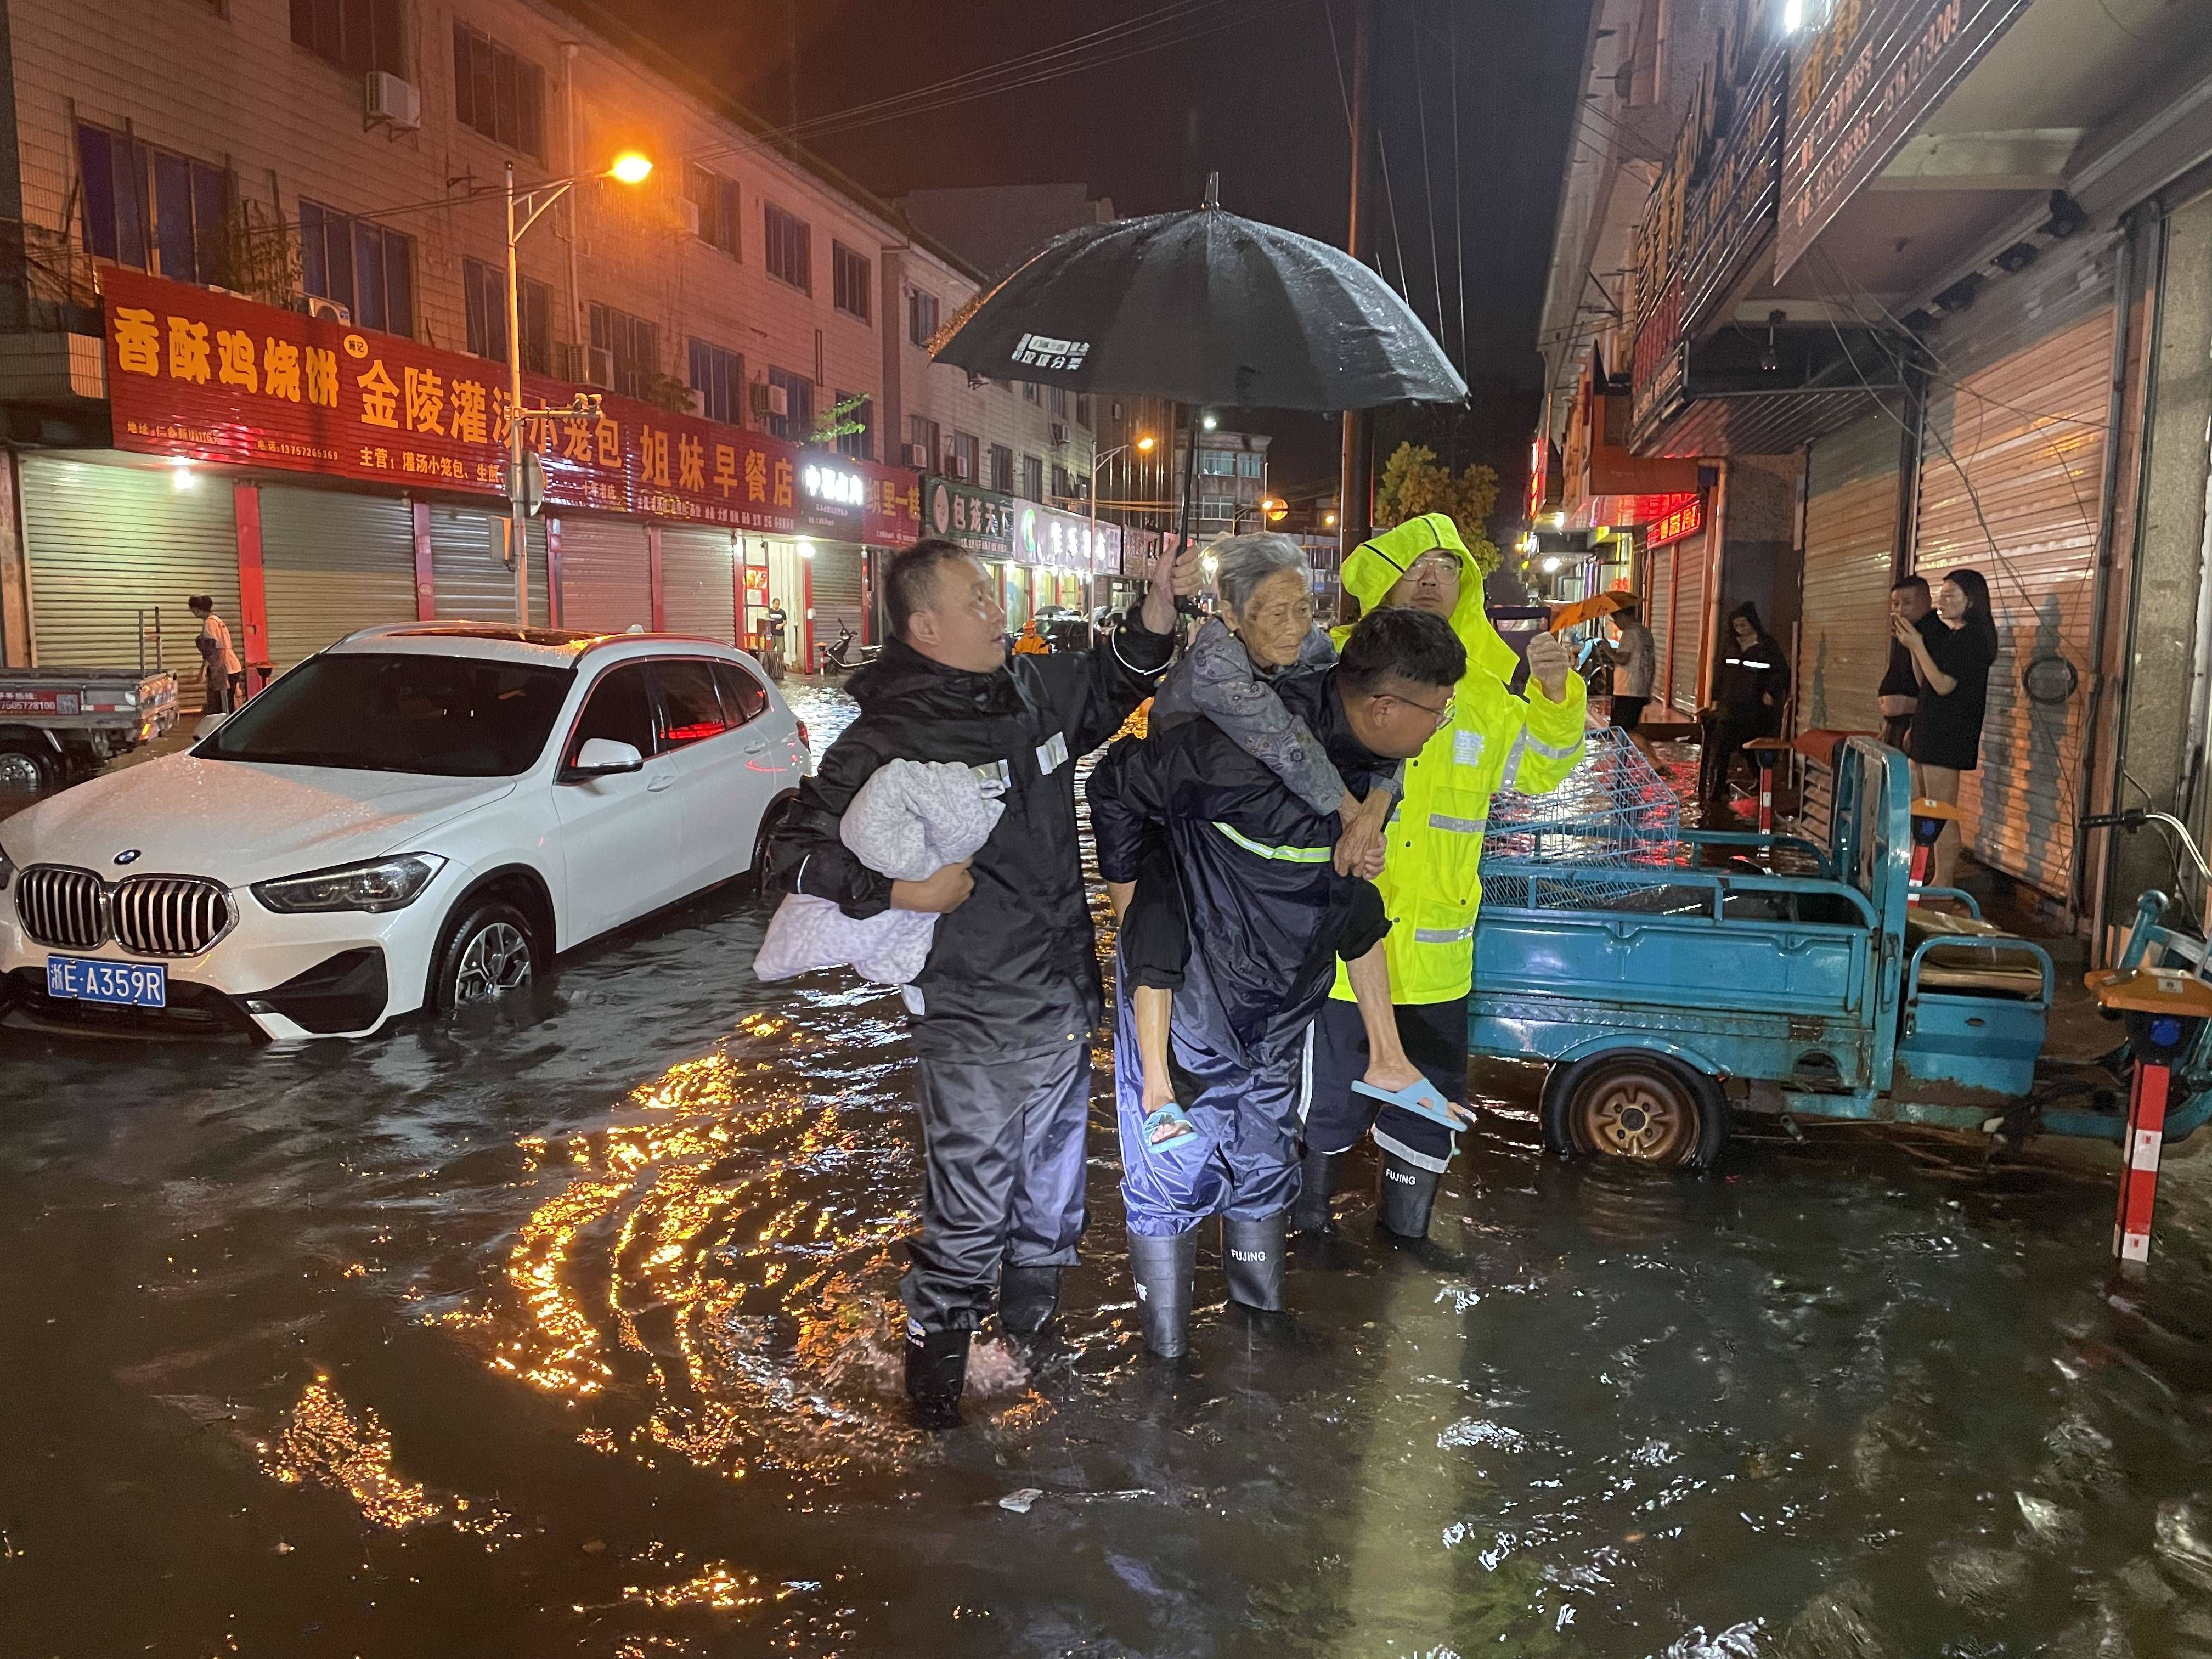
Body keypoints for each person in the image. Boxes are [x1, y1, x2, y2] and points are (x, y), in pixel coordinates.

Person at [764, 536, 1198, 1429]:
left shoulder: (1032, 691)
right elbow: (788, 851)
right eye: (976, 597)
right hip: (965, 1012)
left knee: (1051, 1207)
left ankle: (1029, 1366)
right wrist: (897, 890)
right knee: (965, 1222)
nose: (996, 608)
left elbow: (1117, 682)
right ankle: (933, 1426)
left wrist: (1159, 604)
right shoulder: (886, 736)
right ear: (925, 625)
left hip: (1056, 998)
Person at [1088, 606, 1469, 1357]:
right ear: (1385, 706)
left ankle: (1260, 1319)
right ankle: (1167, 1364)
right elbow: (1113, 787)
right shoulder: (1239, 750)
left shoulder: (1371, 759)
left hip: (1285, 1003)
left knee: (1266, 1148)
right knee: (1172, 1165)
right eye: (1440, 709)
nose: (1442, 725)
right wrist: (1136, 905)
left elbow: (1353, 906)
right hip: (1191, 995)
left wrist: (1388, 1055)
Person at [1296, 514, 1588, 1245]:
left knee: (1426, 1112)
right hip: (1334, 960)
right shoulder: (1325, 670)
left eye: (1449, 566)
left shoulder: (1483, 694)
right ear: (1382, 576)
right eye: (1418, 562)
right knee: (1319, 1113)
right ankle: (1309, 1242)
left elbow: (1542, 773)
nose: (1433, 577)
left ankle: (1405, 1241)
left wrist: (1556, 698)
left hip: (1437, 962)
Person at [1120, 533, 1413, 1143]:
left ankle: (1388, 1057)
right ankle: (1156, 1088)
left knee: (1355, 897)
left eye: (1302, 607)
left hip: (1262, 814)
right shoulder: (1215, 663)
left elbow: (1377, 732)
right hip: (1177, 815)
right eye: (1273, 612)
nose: (1294, 627)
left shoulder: (1315, 648)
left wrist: (1375, 812)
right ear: (1230, 614)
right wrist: (1355, 816)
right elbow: (1288, 745)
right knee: (1156, 923)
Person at [1893, 566, 1998, 890]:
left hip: (1950, 731)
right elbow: (1925, 679)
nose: (1943, 601)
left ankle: (1944, 881)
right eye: (1943, 594)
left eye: (1951, 595)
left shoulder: (1973, 638)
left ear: (1972, 600)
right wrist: (1915, 646)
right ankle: (1923, 872)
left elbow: (1942, 685)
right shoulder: (1956, 634)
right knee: (1925, 806)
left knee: (1941, 808)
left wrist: (1919, 644)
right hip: (1931, 725)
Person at [1698, 603, 1788, 805]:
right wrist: (1715, 699)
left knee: (1749, 746)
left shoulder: (1767, 646)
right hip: (1729, 707)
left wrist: (1771, 692)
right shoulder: (1731, 645)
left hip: (1754, 709)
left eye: (1743, 624)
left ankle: (1760, 779)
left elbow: (1780, 672)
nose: (1740, 628)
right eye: (1736, 625)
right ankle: (1717, 790)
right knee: (1722, 749)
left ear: (1753, 623)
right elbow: (1720, 673)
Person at [1878, 576, 1935, 750]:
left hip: (1913, 728)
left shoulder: (1933, 634)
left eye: (1908, 602)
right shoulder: (1906, 631)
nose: (1901, 610)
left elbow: (1931, 686)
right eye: (1896, 604)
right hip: (1896, 727)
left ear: (1927, 602)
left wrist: (1916, 722)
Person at [1601, 599, 1657, 760]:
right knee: (1628, 730)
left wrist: (1608, 650)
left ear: (1625, 616)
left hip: (1627, 690)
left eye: (1617, 619)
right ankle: (1622, 766)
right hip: (1640, 689)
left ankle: (1653, 761)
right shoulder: (1645, 633)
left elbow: (1623, 659)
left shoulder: (1630, 633)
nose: (1617, 624)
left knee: (1623, 730)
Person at [187, 595, 243, 714]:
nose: (194, 614)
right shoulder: (218, 620)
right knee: (229, 701)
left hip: (223, 667)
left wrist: (202, 670)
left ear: (197, 610)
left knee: (223, 706)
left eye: (193, 611)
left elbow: (210, 650)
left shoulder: (209, 623)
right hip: (233, 665)